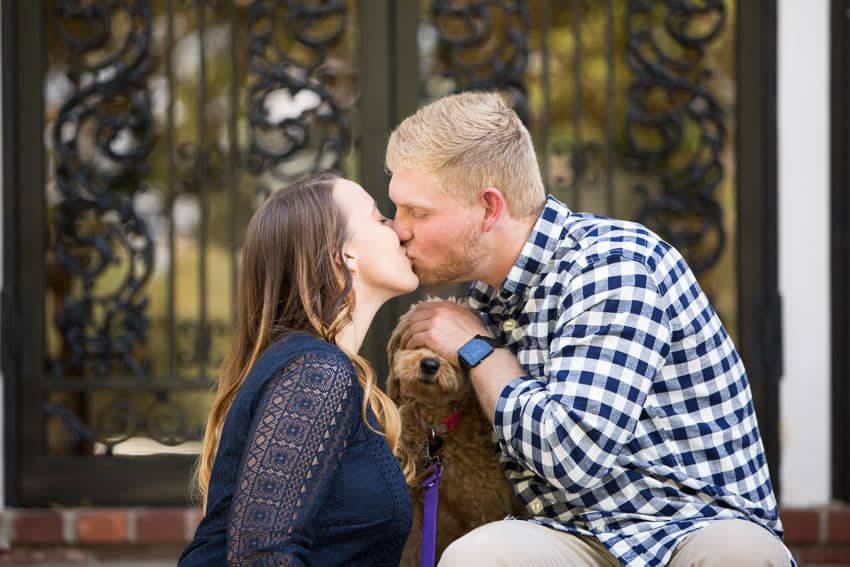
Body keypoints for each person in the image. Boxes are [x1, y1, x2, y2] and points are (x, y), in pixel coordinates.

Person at [386, 91, 793, 567]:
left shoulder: (611, 267)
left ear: (489, 208)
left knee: (739, 555)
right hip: (571, 535)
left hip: (689, 527)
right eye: (397, 210)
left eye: (418, 212)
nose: (399, 229)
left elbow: (572, 456)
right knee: (479, 556)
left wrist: (478, 349)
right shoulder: (484, 299)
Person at [178, 173, 418, 566]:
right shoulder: (317, 372)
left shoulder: (315, 368)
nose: (400, 229)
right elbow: (264, 557)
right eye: (379, 219)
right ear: (346, 253)